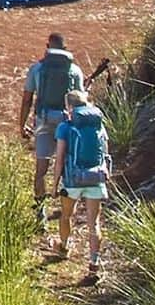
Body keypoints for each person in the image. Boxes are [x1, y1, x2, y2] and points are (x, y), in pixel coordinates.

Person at [20, 33, 84, 218]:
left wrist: (22, 125)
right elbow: (79, 103)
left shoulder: (37, 69)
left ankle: (40, 212)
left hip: (44, 121)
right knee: (67, 166)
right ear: (65, 49)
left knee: (41, 168)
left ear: (47, 46)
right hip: (66, 122)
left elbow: (27, 100)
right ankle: (66, 211)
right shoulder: (75, 71)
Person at [50, 89, 109, 283]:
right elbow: (105, 155)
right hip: (96, 178)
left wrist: (54, 184)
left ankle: (64, 246)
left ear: (69, 107)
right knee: (94, 223)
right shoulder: (98, 125)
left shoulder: (65, 127)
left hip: (73, 179)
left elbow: (59, 159)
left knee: (66, 215)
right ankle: (94, 264)